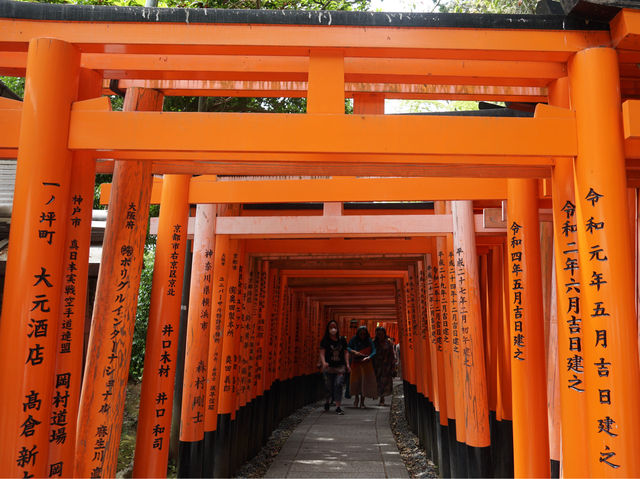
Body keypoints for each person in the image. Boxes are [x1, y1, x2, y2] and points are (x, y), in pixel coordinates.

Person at [319, 320, 350, 415]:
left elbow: (346, 352)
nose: (333, 329)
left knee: (338, 384)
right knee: (328, 386)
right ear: (328, 329)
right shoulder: (325, 340)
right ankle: (327, 402)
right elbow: (322, 352)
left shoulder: (342, 340)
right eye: (331, 327)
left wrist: (347, 364)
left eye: (335, 327)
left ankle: (338, 406)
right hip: (329, 367)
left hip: (340, 367)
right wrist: (323, 362)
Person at [347, 325, 378, 408]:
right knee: (356, 382)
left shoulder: (368, 340)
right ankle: (356, 398)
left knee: (364, 382)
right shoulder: (354, 339)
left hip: (366, 363)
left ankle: (362, 401)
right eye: (361, 334)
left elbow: (374, 350)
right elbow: (347, 347)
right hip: (356, 363)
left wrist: (369, 357)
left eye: (364, 334)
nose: (362, 336)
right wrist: (354, 351)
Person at [372, 326, 396, 406]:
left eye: (381, 334)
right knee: (377, 381)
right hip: (377, 365)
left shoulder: (388, 343)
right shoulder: (374, 343)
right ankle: (379, 395)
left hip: (386, 365)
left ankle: (382, 398)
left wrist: (393, 365)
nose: (380, 336)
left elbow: (392, 354)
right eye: (378, 334)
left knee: (385, 382)